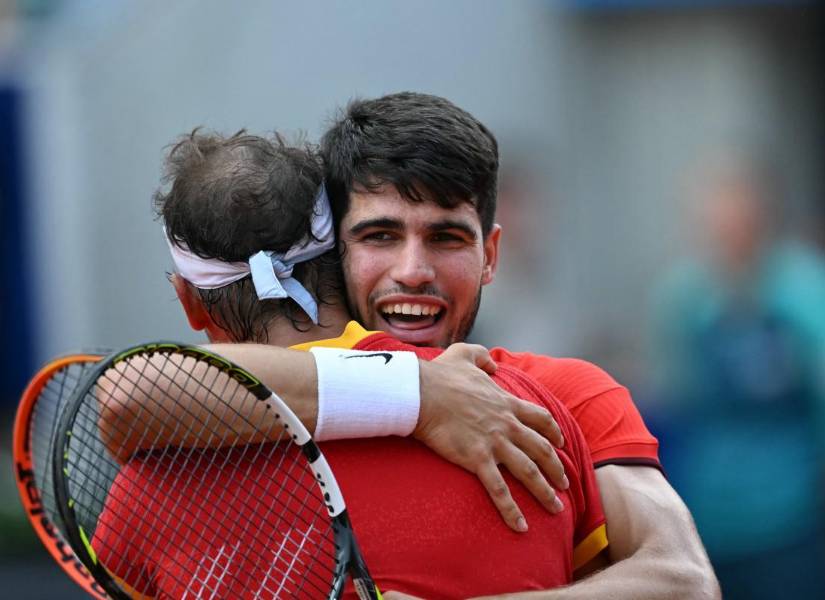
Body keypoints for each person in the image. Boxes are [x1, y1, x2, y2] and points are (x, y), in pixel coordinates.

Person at [113, 92, 719, 598]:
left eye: (447, 238)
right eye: (380, 235)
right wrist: (419, 393)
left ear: (491, 256)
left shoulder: (564, 396)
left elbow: (685, 582)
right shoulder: (191, 423)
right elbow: (124, 397)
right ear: (334, 254)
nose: (413, 270)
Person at [650, 152, 825, 599]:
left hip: (792, 514)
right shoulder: (687, 295)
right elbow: (679, 400)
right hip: (713, 514)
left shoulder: (802, 290)